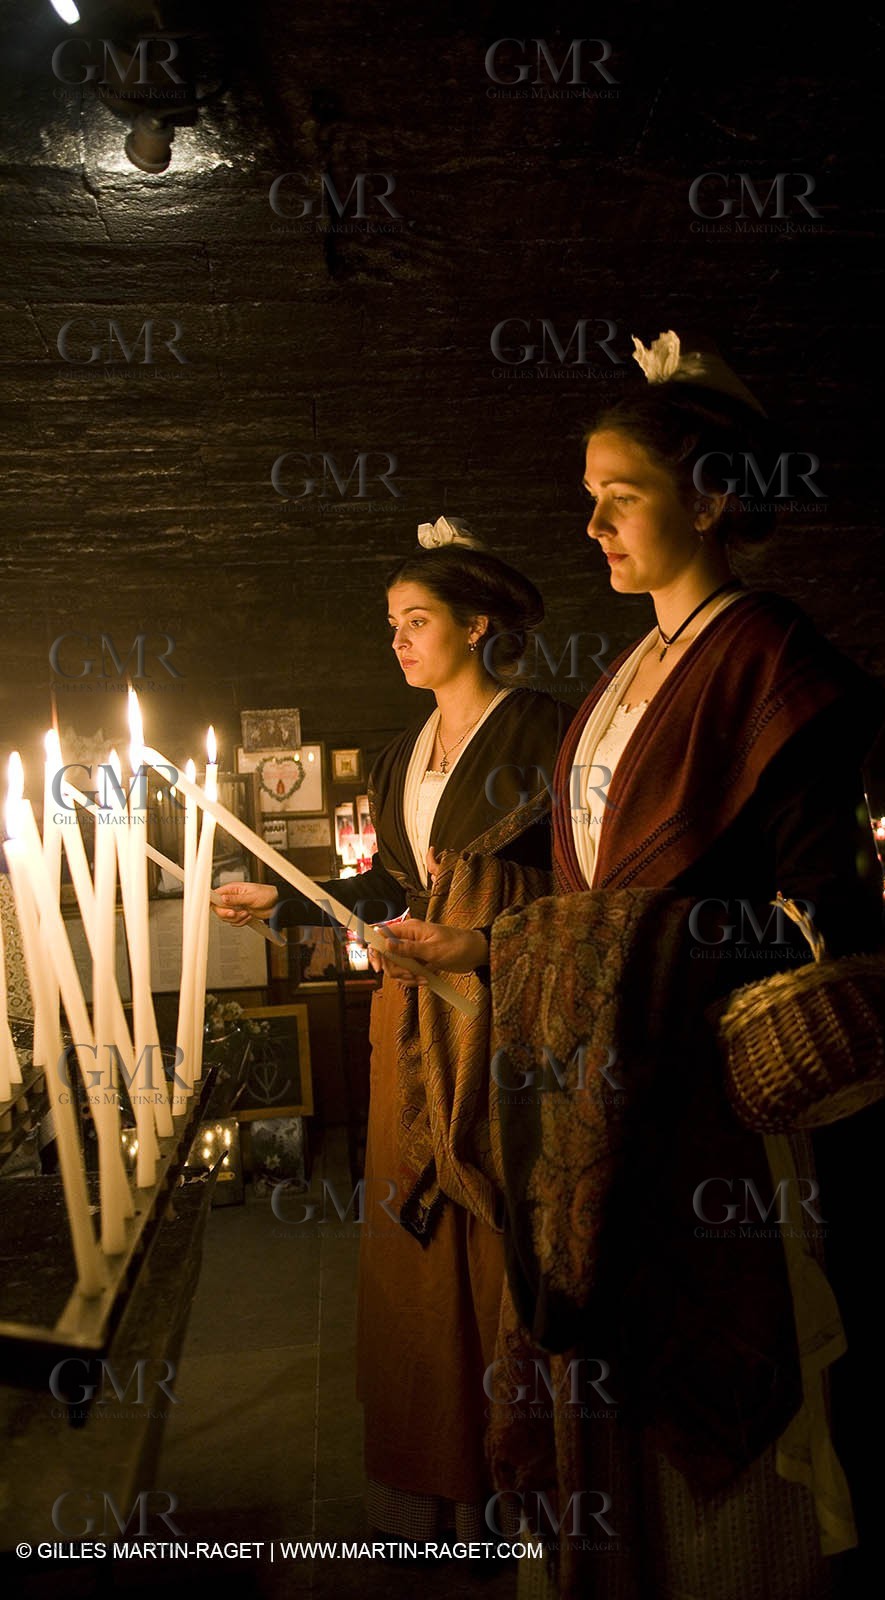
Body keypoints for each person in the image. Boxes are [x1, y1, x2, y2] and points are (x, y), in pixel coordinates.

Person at [372, 335, 885, 1598]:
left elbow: (821, 921)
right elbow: (579, 901)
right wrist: (484, 946)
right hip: (591, 1099)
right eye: (588, 497)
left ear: (708, 496)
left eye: (622, 495)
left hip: (709, 1103)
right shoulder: (618, 681)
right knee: (594, 1420)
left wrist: (609, 952)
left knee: (707, 1422)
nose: (591, 522)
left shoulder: (768, 662)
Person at [214, 521, 573, 1544]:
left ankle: (526, 1478)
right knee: (417, 1235)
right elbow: (390, 889)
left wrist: (478, 938)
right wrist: (282, 902)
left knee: (496, 1225)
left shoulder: (547, 731)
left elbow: (579, 883)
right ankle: (445, 1473)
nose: (399, 641)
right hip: (409, 1010)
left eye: (416, 621)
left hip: (498, 1017)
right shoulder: (396, 754)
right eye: (391, 625)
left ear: (476, 622)